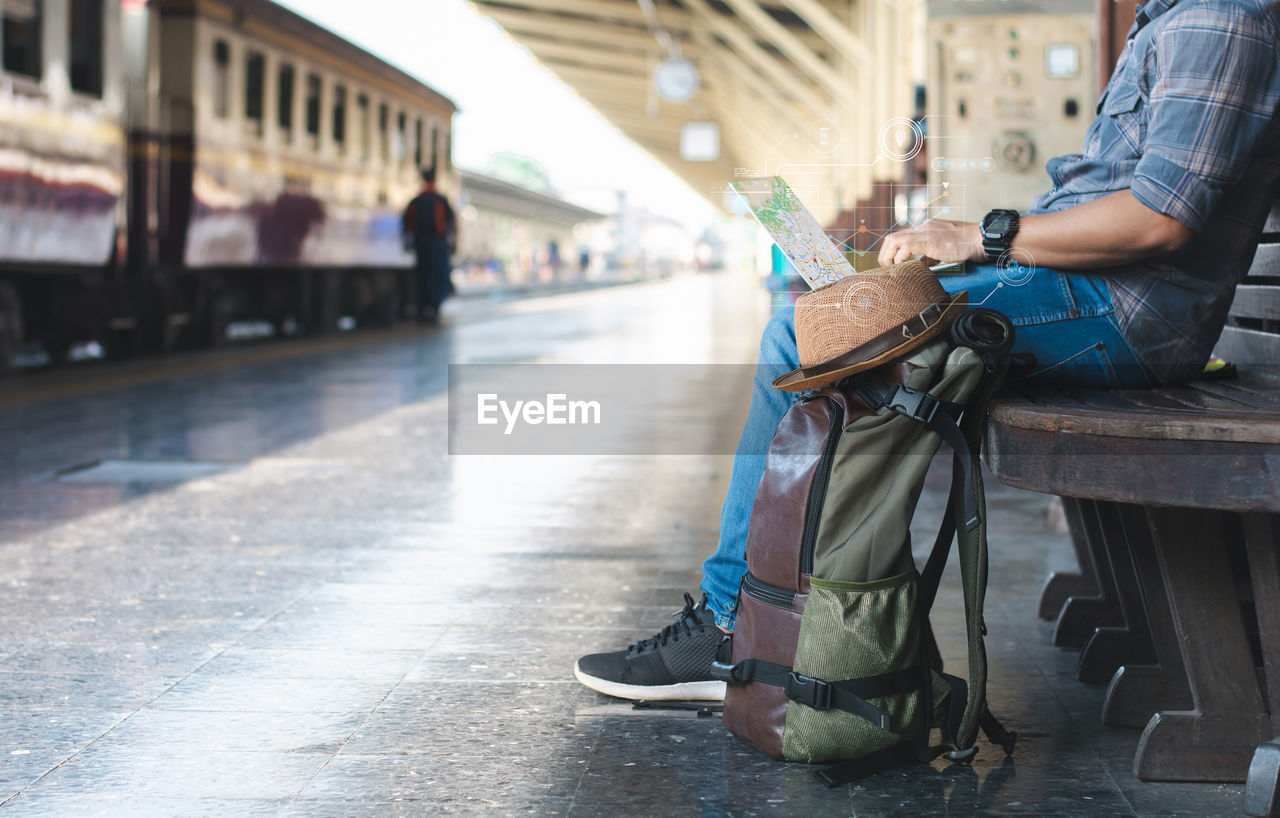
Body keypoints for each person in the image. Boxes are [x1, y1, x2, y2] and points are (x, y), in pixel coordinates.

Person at [574, 0, 1280, 702]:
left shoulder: (1216, 18)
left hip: (1122, 315)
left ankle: (731, 626)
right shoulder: (1170, 17)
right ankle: (784, 625)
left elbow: (1160, 219)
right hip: (1083, 293)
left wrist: (979, 237)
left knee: (808, 334)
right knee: (834, 309)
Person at [402, 168, 456, 324]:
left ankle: (424, 309)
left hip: (422, 242)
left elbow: (407, 224)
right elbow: (451, 222)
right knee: (438, 275)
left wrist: (408, 243)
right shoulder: (440, 199)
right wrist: (453, 242)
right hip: (438, 242)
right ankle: (434, 308)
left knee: (423, 276)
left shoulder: (417, 200)